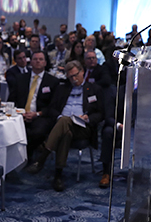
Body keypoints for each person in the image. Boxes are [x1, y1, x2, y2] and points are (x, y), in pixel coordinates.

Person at [26, 61, 103, 191]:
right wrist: (59, 117)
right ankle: (58, 176)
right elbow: (52, 109)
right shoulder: (62, 89)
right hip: (63, 124)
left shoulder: (94, 89)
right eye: (70, 77)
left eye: (76, 75)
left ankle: (42, 159)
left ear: (82, 71)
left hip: (83, 127)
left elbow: (101, 113)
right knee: (65, 130)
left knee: (64, 122)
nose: (74, 79)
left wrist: (88, 118)